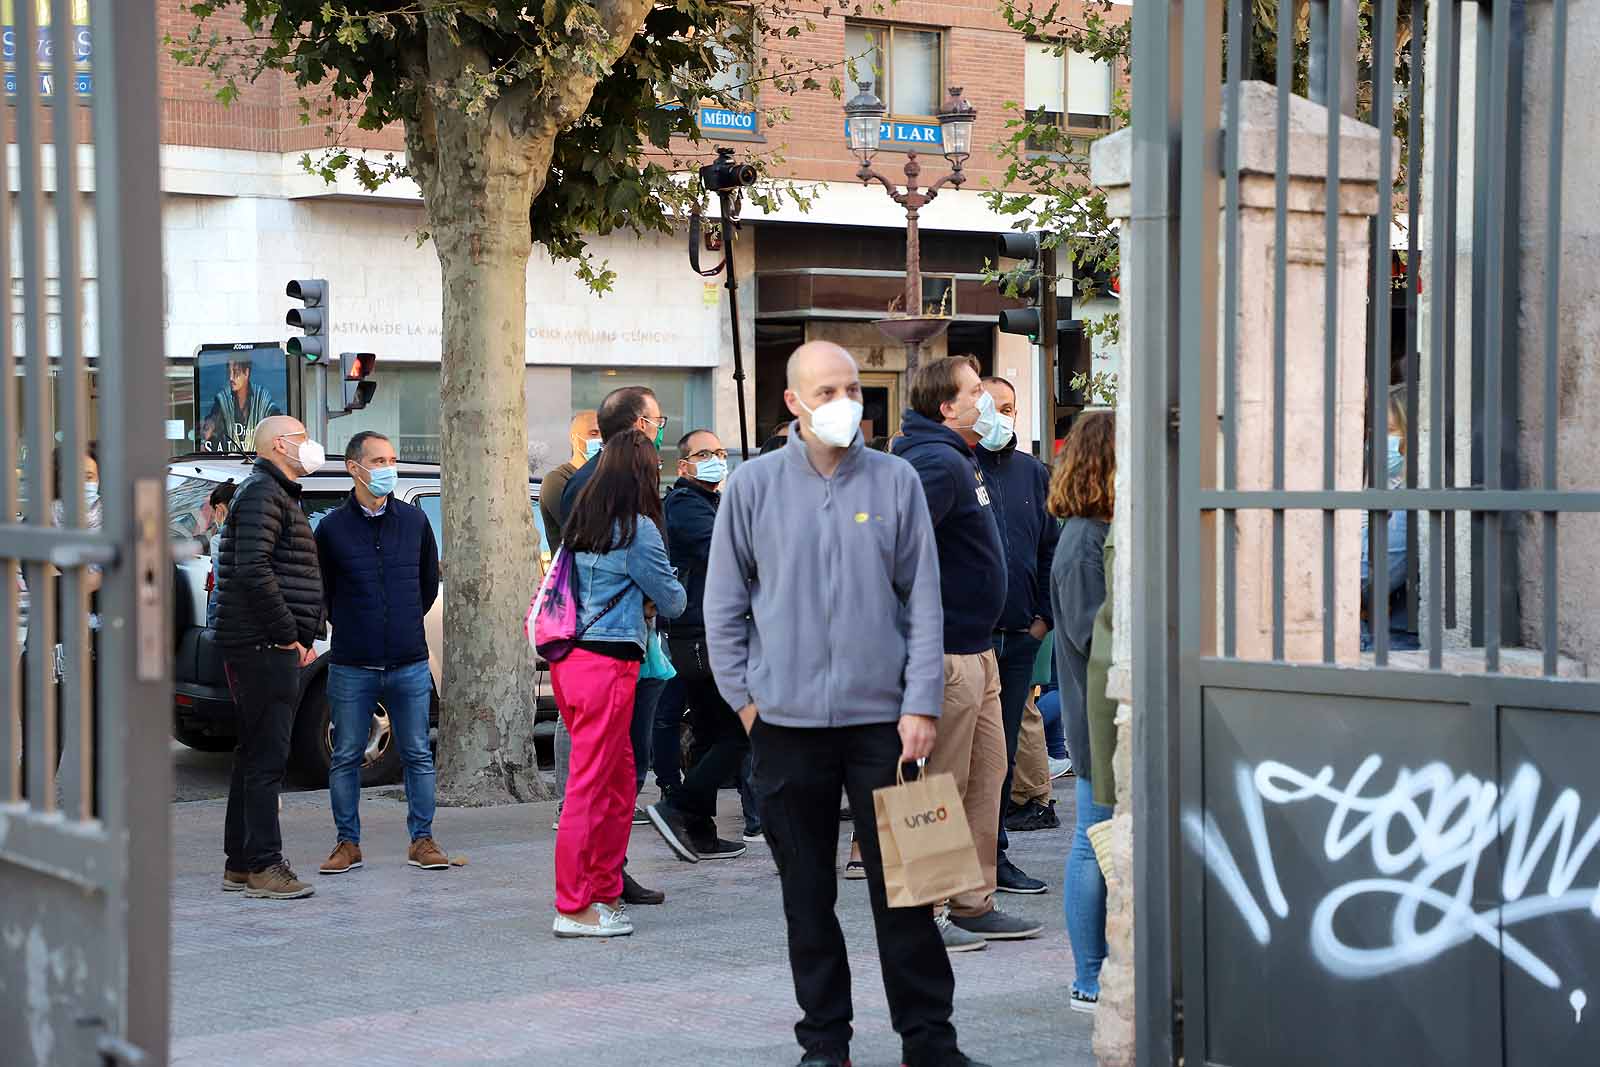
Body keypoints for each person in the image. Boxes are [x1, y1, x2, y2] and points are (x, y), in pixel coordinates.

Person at [706, 340, 990, 1067]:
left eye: (853, 389)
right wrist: (747, 705)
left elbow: (924, 600)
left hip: (886, 730)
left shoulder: (895, 480)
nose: (845, 404)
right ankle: (825, 1045)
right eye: (827, 390)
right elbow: (724, 608)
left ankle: (931, 1044)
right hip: (785, 729)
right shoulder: (751, 487)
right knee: (808, 898)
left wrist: (921, 703)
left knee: (911, 894)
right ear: (794, 403)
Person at [891, 356, 1041, 952]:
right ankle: (923, 913)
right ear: (947, 407)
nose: (986, 400)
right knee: (936, 785)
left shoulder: (959, 458)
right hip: (945, 653)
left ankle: (972, 902)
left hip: (978, 651)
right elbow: (897, 552)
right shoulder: (931, 461)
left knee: (986, 778)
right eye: (975, 391)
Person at [550, 429, 685, 938]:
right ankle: (574, 905)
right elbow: (673, 601)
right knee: (591, 784)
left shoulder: (582, 521)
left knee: (619, 776)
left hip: (569, 659)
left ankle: (605, 888)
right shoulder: (638, 530)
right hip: (608, 663)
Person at [313, 431, 448, 877]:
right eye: (378, 460)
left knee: (417, 754)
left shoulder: (414, 522)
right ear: (354, 468)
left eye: (392, 458)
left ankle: (423, 839)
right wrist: (352, 626)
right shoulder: (331, 528)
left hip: (409, 661)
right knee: (347, 754)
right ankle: (347, 843)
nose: (388, 467)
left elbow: (428, 583)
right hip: (353, 663)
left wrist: (405, 619)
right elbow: (323, 592)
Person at [212, 415, 326, 901]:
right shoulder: (264, 493)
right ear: (281, 445)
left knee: (255, 752)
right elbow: (253, 569)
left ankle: (241, 862)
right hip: (263, 645)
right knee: (266, 758)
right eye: (302, 438)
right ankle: (262, 864)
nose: (310, 447)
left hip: (259, 642)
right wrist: (289, 634)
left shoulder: (273, 492)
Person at [645, 429, 749, 861]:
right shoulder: (686, 507)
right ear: (683, 465)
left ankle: (699, 829)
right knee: (742, 730)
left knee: (710, 732)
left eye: (721, 452)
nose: (716, 459)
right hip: (701, 634)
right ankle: (679, 807)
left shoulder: (713, 503)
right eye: (704, 453)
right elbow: (734, 550)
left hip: (711, 631)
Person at [974, 375, 1058, 894]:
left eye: (1009, 407)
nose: (1002, 417)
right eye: (991, 407)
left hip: (1020, 636)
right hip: (966, 641)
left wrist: (1042, 619)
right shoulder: (955, 468)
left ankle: (993, 853)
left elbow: (1051, 548)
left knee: (1001, 754)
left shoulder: (1033, 473)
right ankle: (940, 874)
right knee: (954, 757)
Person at [1047, 410, 1116, 1012]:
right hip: (1097, 719)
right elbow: (1094, 636)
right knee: (1092, 840)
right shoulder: (1083, 541)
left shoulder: (1098, 532)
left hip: (1107, 714)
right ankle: (1087, 976)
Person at [540, 410, 600, 550]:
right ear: (574, 438)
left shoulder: (607, 479)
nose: (601, 439)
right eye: (593, 433)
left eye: (605, 434)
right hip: (574, 570)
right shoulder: (556, 480)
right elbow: (586, 533)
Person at [201, 358, 281, 451]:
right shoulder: (222, 399)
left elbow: (277, 421)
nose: (231, 378)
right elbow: (212, 422)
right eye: (229, 372)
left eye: (236, 372)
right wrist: (208, 430)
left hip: (258, 460)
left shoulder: (262, 397)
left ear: (246, 373)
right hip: (229, 462)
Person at [205, 480, 237, 628]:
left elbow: (222, 583)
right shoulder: (261, 532)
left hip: (226, 616)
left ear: (219, 509)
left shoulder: (219, 541)